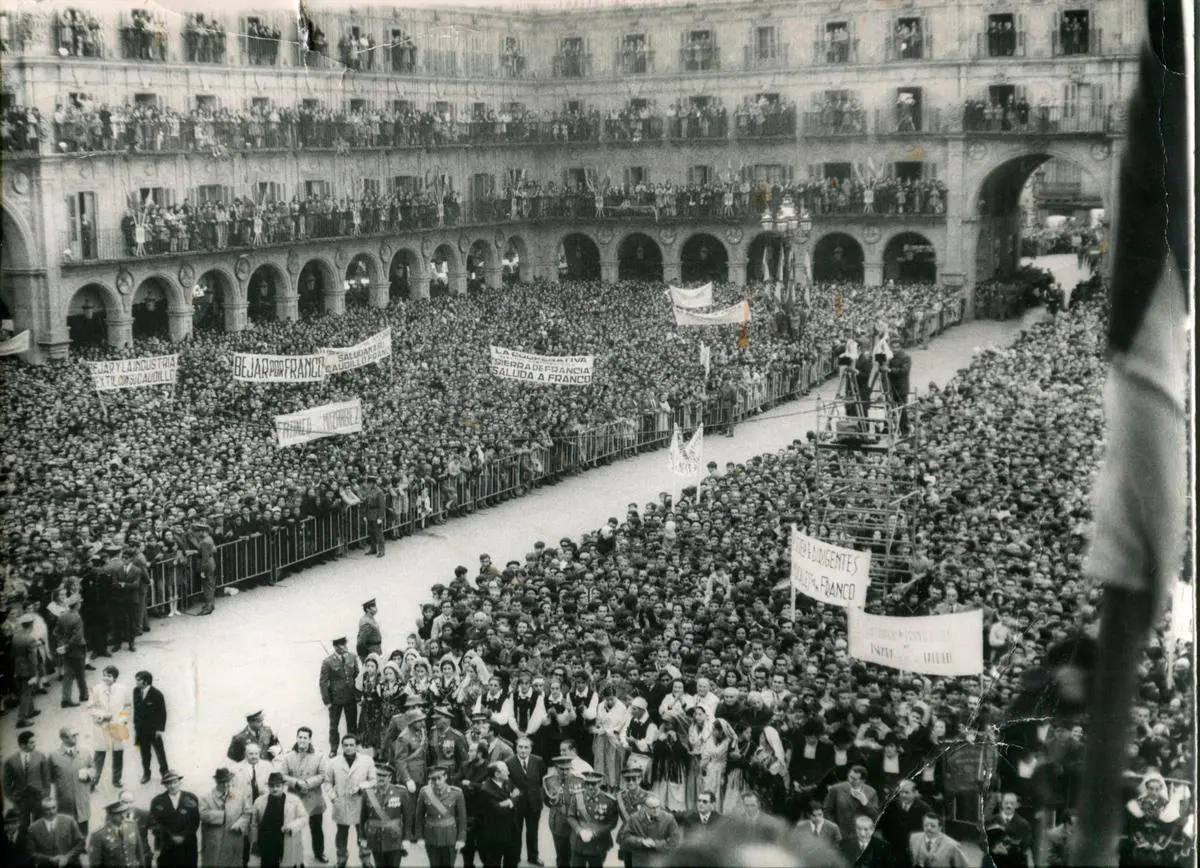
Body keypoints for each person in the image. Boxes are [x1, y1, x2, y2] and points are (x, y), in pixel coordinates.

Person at [279, 726, 329, 864]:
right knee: (292, 828)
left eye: (305, 738)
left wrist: (307, 783)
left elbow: (323, 775)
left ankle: (319, 852)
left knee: (317, 828)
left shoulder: (319, 755)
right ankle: (288, 854)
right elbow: (282, 775)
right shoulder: (288, 756)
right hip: (294, 799)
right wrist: (296, 783)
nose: (302, 740)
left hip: (314, 799)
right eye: (300, 737)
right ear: (297, 738)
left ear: (310, 739)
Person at [326, 733, 376, 868]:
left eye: (351, 745)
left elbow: (373, 781)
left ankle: (366, 859)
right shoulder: (333, 762)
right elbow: (327, 782)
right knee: (341, 835)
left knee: (363, 834)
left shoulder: (367, 761)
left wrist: (361, 787)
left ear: (356, 746)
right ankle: (341, 859)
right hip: (341, 804)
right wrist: (333, 797)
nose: (348, 748)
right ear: (342, 746)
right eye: (345, 745)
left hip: (361, 804)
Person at [250, 771, 307, 868]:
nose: (275, 789)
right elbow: (254, 824)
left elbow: (304, 817)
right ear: (268, 786)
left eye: (278, 786)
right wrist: (255, 841)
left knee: (287, 863)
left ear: (283, 786)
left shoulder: (294, 800)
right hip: (267, 841)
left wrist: (291, 826)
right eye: (272, 786)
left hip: (285, 839)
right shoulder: (259, 801)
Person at [88, 665, 132, 790]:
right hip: (101, 725)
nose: (106, 678)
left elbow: (127, 706)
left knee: (118, 753)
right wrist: (102, 715)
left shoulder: (123, 689)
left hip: (117, 725)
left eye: (109, 676)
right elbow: (91, 707)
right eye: (104, 675)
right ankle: (93, 782)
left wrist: (122, 719)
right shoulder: (96, 689)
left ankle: (117, 779)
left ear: (115, 678)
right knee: (99, 754)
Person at [415, 763, 467, 868]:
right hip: (431, 836)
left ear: (445, 777)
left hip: (450, 837)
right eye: (433, 779)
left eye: (439, 778)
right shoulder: (424, 792)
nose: (437, 782)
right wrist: (419, 837)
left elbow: (462, 819)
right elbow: (418, 817)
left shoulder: (456, 793)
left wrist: (461, 839)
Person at [199, 768, 251, 868]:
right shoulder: (206, 797)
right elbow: (203, 814)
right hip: (214, 840)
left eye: (228, 781)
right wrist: (224, 815)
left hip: (233, 838)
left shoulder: (239, 795)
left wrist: (240, 823)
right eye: (222, 782)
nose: (226, 785)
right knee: (213, 863)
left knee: (233, 863)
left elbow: (247, 812)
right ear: (216, 781)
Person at [505, 736, 545, 867]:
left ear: (531, 748)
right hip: (517, 804)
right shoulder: (508, 762)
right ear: (516, 747)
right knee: (516, 832)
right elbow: (507, 782)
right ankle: (515, 857)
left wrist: (538, 795)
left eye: (526, 747)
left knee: (533, 831)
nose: (523, 750)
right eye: (520, 747)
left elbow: (541, 779)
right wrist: (513, 791)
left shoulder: (538, 761)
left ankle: (533, 857)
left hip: (534, 803)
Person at [149, 770, 201, 868]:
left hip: (187, 844)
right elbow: (154, 823)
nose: (172, 786)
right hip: (166, 845)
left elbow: (195, 821)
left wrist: (183, 836)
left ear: (180, 782)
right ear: (164, 785)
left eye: (175, 782)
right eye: (168, 783)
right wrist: (171, 836)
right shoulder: (157, 801)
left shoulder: (191, 797)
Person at [566, 770, 618, 868]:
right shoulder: (577, 797)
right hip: (579, 842)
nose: (590, 787)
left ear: (600, 783)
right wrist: (579, 830)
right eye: (587, 783)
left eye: (593, 784)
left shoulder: (609, 800)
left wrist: (595, 833)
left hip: (598, 844)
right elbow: (570, 816)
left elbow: (612, 823)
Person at [49, 726, 95, 837]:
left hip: (82, 801)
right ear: (63, 738)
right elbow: (50, 777)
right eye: (72, 736)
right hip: (65, 803)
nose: (76, 738)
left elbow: (93, 768)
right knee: (67, 832)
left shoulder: (85, 753)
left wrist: (89, 773)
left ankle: (82, 849)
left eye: (76, 735)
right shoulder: (54, 756)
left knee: (84, 831)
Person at [3, 731, 51, 835]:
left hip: (38, 797)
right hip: (21, 800)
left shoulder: (41, 756)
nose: (34, 744)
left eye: (34, 742)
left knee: (39, 825)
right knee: (23, 827)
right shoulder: (10, 761)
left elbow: (46, 778)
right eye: (31, 742)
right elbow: (6, 783)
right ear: (22, 745)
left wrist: (46, 795)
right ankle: (26, 848)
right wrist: (12, 797)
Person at [320, 638, 360, 757]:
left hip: (350, 697)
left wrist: (358, 695)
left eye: (345, 644)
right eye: (341, 646)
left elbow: (357, 676)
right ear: (336, 647)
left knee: (352, 724)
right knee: (333, 726)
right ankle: (333, 748)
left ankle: (352, 748)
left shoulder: (352, 657)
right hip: (335, 700)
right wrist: (327, 701)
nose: (344, 647)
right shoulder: (328, 662)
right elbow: (323, 682)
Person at [476, 760, 520, 868]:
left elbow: (518, 794)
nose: (509, 773)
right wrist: (513, 799)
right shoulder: (485, 790)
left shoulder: (507, 781)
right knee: (493, 863)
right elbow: (499, 811)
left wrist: (509, 801)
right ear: (497, 774)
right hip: (495, 836)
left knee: (512, 861)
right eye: (506, 770)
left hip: (512, 831)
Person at [617, 794, 681, 868]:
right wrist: (641, 841)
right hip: (640, 862)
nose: (656, 810)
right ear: (645, 808)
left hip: (661, 861)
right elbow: (625, 838)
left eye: (658, 807)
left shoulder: (669, 819)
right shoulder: (634, 818)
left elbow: (675, 841)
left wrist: (655, 844)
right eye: (653, 808)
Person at [361, 763, 405, 868]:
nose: (381, 778)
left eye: (384, 776)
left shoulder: (400, 792)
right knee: (379, 864)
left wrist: (406, 838)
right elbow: (363, 818)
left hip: (394, 837)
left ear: (390, 778)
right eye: (379, 775)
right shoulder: (368, 793)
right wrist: (362, 837)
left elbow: (408, 818)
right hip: (376, 837)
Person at [26, 795, 85, 867]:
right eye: (47, 809)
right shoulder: (33, 828)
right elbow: (30, 853)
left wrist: (67, 857)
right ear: (42, 810)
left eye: (53, 808)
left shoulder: (69, 821)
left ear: (57, 807)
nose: (51, 812)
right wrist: (49, 859)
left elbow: (81, 843)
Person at [877, 778, 928, 862]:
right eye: (901, 792)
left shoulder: (924, 809)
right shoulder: (890, 805)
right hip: (891, 849)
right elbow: (880, 824)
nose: (903, 795)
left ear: (915, 793)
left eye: (906, 792)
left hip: (912, 850)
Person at [52, 593, 89, 708]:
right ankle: (84, 695)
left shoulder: (62, 616)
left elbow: (55, 632)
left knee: (68, 674)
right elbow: (77, 637)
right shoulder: (77, 617)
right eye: (80, 603)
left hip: (66, 650)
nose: (81, 604)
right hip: (77, 649)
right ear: (77, 605)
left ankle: (65, 699)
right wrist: (67, 645)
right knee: (80, 673)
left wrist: (62, 644)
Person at [133, 670, 169, 785]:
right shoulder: (136, 691)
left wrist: (159, 729)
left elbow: (162, 713)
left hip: (153, 730)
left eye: (138, 680)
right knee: (144, 753)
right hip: (141, 730)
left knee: (160, 753)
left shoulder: (157, 694)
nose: (136, 682)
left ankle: (165, 774)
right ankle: (146, 773)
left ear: (145, 682)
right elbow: (136, 710)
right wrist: (135, 725)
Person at [824, 765, 878, 840]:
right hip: (840, 835)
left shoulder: (871, 792)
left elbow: (875, 816)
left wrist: (865, 802)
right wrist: (835, 830)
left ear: (863, 781)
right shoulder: (836, 789)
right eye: (850, 776)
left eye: (854, 779)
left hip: (860, 836)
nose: (850, 780)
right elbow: (827, 812)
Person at [89, 801, 146, 868]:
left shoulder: (132, 826)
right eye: (118, 813)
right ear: (110, 815)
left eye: (124, 812)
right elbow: (95, 863)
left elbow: (140, 853)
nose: (123, 816)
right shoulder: (98, 835)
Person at [985, 792, 1033, 868]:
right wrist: (993, 848)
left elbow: (1025, 845)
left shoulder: (1024, 825)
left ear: (1017, 805)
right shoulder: (990, 821)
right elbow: (981, 841)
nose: (1008, 806)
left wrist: (1008, 850)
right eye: (1006, 803)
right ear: (1001, 804)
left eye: (1012, 803)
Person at [11, 613, 40, 726]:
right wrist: (33, 674)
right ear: (31, 625)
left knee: (26, 690)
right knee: (26, 693)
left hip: (18, 667)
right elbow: (32, 659)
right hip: (27, 669)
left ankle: (31, 711)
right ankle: (21, 719)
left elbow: (13, 654)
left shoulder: (16, 636)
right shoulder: (30, 638)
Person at [363, 477, 387, 557]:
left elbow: (382, 505)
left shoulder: (379, 492)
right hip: (369, 514)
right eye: (368, 483)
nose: (368, 484)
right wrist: (365, 515)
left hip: (376, 513)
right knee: (371, 532)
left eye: (370, 483)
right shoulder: (368, 490)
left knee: (378, 533)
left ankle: (381, 550)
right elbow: (366, 504)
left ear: (374, 483)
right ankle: (373, 548)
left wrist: (380, 517)